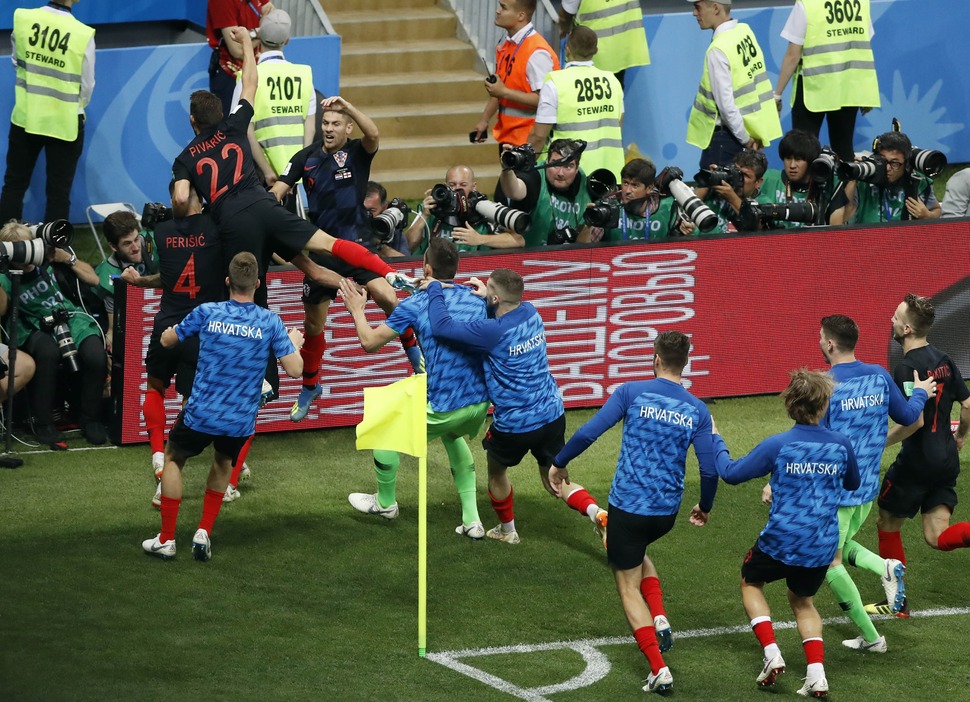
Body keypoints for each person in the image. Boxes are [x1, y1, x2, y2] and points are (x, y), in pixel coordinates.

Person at [549, 331, 718, 694]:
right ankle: (658, 615)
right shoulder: (697, 410)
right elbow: (708, 469)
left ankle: (659, 669)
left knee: (627, 585)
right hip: (665, 514)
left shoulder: (631, 392)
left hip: (628, 508)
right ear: (685, 362)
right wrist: (705, 505)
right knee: (639, 553)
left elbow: (589, 433)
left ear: (656, 357)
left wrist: (559, 463)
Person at [422, 268, 607, 545]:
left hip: (515, 425)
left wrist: (435, 288)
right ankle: (596, 511)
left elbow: (442, 328)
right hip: (552, 414)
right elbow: (503, 309)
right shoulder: (532, 312)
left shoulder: (492, 331)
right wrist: (489, 296)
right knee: (554, 477)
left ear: (496, 298)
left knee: (496, 471)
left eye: (488, 289)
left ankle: (508, 531)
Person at [142, 252, 303, 562]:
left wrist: (166, 334)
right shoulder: (270, 321)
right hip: (238, 421)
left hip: (201, 412)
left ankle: (166, 539)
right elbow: (295, 370)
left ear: (227, 281)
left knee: (174, 459)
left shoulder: (207, 312)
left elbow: (168, 341)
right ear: (257, 284)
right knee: (222, 462)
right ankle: (203, 531)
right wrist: (294, 342)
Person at [270, 95, 422, 421]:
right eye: (325, 123)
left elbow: (375, 135)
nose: (328, 128)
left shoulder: (356, 152)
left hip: (358, 245)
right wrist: (265, 206)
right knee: (313, 324)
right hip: (322, 252)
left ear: (347, 127)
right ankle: (310, 385)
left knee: (388, 297)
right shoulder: (305, 158)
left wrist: (349, 105)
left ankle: (413, 351)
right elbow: (280, 188)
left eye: (336, 123)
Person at [713, 369, 860, 698]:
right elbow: (852, 483)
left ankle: (771, 653)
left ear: (790, 405)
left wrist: (716, 438)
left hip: (781, 540)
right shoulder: (841, 445)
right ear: (823, 405)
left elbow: (731, 474)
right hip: (821, 545)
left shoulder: (778, 444)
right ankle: (816, 675)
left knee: (750, 580)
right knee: (802, 600)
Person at [341, 238, 490, 540]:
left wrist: (357, 309)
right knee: (452, 435)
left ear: (426, 268)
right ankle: (473, 521)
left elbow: (369, 342)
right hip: (480, 404)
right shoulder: (477, 297)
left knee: (383, 425)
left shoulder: (415, 305)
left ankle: (385, 503)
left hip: (446, 404)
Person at [808, 315, 933, 649]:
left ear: (831, 344)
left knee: (828, 562)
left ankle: (873, 636)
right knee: (838, 546)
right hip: (865, 490)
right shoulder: (878, 375)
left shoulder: (826, 384)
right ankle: (885, 570)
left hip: (834, 490)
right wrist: (920, 393)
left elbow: (819, 442)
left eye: (821, 338)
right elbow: (909, 418)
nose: (820, 342)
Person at [121, 184, 228, 507]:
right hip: (201, 330)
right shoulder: (216, 227)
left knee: (154, 387)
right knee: (189, 403)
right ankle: (200, 467)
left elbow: (167, 275)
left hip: (167, 324)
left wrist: (139, 282)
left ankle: (158, 457)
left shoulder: (162, 231)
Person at [865, 294, 970, 615]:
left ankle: (898, 603)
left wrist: (877, 443)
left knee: (887, 520)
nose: (891, 321)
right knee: (936, 536)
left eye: (896, 318)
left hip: (916, 463)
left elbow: (913, 422)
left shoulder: (906, 368)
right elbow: (967, 405)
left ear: (908, 328)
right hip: (947, 459)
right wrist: (961, 437)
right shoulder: (946, 359)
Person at [0, 221, 106, 447]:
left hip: (71, 317)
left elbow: (94, 279)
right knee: (48, 353)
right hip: (30, 323)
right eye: (20, 250)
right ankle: (44, 422)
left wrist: (66, 258)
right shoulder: (5, 277)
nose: (28, 255)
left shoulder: (48, 259)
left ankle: (90, 419)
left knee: (96, 355)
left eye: (29, 246)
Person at [0, 0, 95, 224]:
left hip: (26, 116)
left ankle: (6, 250)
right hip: (65, 122)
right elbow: (87, 84)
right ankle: (55, 254)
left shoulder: (23, 18)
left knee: (14, 184)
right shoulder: (82, 33)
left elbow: (17, 61)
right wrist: (76, 104)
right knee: (59, 193)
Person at [773, 0, 878, 163]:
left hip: (814, 88)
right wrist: (864, 92)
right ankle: (843, 189)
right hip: (848, 88)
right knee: (845, 153)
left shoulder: (807, 4)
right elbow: (862, 43)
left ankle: (806, 190)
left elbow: (793, 55)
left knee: (802, 153)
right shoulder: (861, 2)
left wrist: (777, 94)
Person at [685, 0, 781, 169]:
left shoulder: (718, 50)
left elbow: (726, 106)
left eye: (698, 7)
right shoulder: (744, 31)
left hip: (727, 140)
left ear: (715, 8)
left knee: (716, 193)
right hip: (749, 133)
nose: (694, 13)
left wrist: (746, 140)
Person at [230, 9, 315, 187]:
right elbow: (310, 128)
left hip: (260, 177)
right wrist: (298, 169)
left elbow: (243, 129)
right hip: (296, 176)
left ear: (259, 38)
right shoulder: (304, 75)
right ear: (287, 40)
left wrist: (268, 171)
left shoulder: (247, 79)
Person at [529, 26, 625, 180]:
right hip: (609, 172)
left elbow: (539, 136)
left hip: (568, 172)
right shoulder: (612, 81)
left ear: (567, 49)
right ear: (596, 51)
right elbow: (618, 125)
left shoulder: (556, 82)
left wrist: (525, 166)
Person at [471, 0, 559, 147]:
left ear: (521, 16)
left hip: (528, 142)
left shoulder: (537, 52)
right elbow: (500, 89)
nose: (498, 11)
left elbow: (544, 100)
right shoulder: (510, 44)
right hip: (509, 138)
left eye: (504, 8)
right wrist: (485, 120)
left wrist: (504, 92)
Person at [831, 131, 942, 224]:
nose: (888, 168)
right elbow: (838, 224)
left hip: (905, 242)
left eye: (894, 163)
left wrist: (927, 215)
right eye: (883, 161)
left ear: (907, 164)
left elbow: (936, 210)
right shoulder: (864, 180)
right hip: (868, 242)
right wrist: (853, 177)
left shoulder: (918, 181)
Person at [499, 138, 594, 246]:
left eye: (568, 166)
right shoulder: (535, 176)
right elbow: (514, 192)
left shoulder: (583, 182)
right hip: (529, 256)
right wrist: (507, 169)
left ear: (577, 169)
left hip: (569, 258)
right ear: (547, 161)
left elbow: (584, 248)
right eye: (555, 164)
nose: (560, 173)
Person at [405, 165, 515, 253]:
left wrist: (480, 239)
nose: (457, 189)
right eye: (452, 184)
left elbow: (518, 240)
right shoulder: (431, 208)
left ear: (473, 186)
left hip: (472, 273)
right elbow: (408, 246)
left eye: (463, 184)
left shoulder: (485, 210)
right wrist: (424, 215)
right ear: (445, 185)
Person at [94, 210, 159, 351]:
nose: (136, 248)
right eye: (127, 243)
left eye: (136, 239)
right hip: (134, 323)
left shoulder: (154, 241)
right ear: (113, 246)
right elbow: (113, 326)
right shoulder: (107, 274)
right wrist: (109, 341)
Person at [755, 129, 838, 228]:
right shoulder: (767, 179)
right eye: (788, 158)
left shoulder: (824, 186)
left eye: (798, 159)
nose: (792, 165)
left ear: (810, 161)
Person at [205, 0, 273, 118]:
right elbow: (237, 50)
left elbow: (274, 18)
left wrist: (252, 35)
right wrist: (262, 32)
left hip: (257, 73)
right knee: (233, 130)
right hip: (231, 77)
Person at [558, 0, 650, 85]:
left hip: (590, 53)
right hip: (622, 47)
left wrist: (563, 32)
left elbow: (565, 15)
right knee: (614, 94)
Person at [601, 158, 690, 241]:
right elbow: (588, 246)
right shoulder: (608, 207)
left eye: (635, 185)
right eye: (625, 183)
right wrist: (588, 226)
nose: (627, 191)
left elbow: (693, 234)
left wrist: (689, 231)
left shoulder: (667, 207)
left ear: (649, 188)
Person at [690, 149, 770, 234]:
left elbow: (760, 232)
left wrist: (732, 198)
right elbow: (687, 205)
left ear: (758, 182)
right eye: (736, 171)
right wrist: (710, 180)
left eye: (745, 175)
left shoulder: (764, 202)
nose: (738, 178)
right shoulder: (718, 189)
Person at [364, 182, 410, 258]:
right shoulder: (346, 227)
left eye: (372, 210)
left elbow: (406, 263)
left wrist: (380, 246)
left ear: (384, 207)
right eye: (362, 210)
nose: (366, 215)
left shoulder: (389, 227)